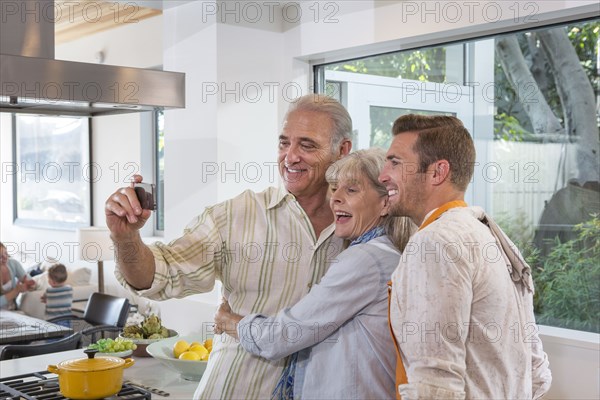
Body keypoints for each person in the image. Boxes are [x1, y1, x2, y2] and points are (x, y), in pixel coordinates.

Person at [105, 94, 353, 399]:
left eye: (307, 145)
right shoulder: (235, 216)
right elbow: (159, 277)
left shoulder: (366, 229)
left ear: (342, 151)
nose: (290, 157)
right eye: (283, 143)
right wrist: (125, 238)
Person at [214, 148, 415, 400]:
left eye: (351, 190)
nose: (336, 199)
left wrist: (229, 322)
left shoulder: (365, 260)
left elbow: (286, 334)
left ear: (385, 203)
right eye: (335, 188)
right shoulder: (386, 254)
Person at [379, 114, 552, 399]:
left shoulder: (434, 243)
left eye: (395, 162)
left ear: (438, 172)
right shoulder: (493, 236)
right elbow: (536, 374)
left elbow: (434, 388)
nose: (383, 175)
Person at [0, 242, 35, 310]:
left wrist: (29, 284)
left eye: (6, 253)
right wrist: (16, 290)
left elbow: (29, 280)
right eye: (0, 257)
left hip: (13, 309)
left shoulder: (13, 263)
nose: (5, 258)